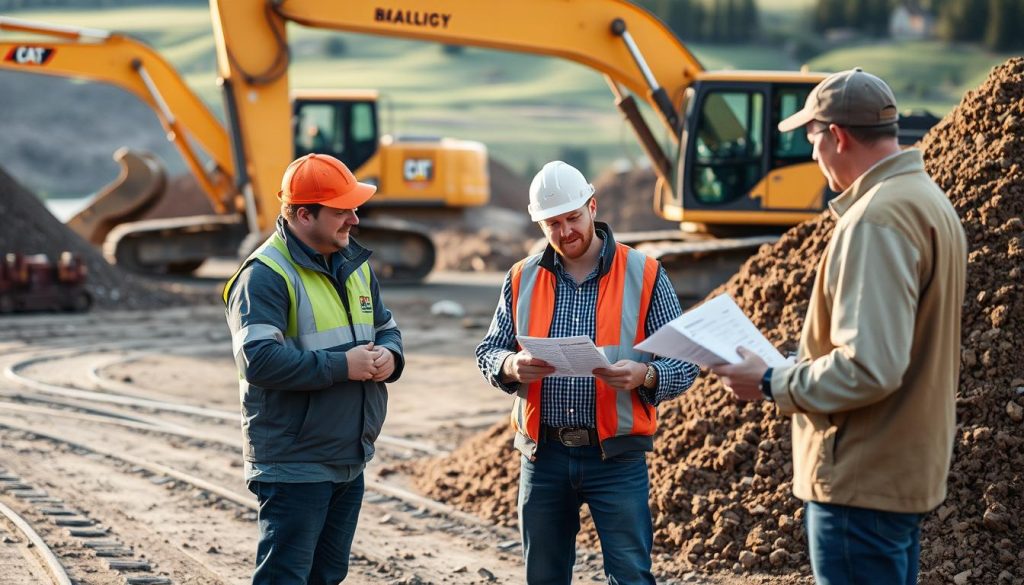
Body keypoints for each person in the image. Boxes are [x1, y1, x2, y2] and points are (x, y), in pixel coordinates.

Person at [709, 69, 967, 584]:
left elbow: (869, 367)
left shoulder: (876, 220)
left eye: (812, 139)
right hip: (900, 470)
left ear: (838, 136)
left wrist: (768, 380)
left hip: (858, 481)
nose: (812, 155)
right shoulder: (929, 202)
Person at [475, 161, 700, 584]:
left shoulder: (644, 273)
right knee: (544, 575)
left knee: (630, 574)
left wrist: (646, 376)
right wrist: (509, 365)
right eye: (552, 224)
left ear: (592, 207)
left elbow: (686, 361)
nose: (565, 232)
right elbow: (488, 350)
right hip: (544, 456)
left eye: (572, 218)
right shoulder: (521, 277)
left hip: (615, 456)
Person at [223, 153, 404, 585]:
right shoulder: (264, 275)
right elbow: (258, 360)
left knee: (327, 576)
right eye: (342, 211)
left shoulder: (353, 264)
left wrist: (389, 357)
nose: (354, 220)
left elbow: (388, 328)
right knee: (286, 577)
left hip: (347, 455)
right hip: (295, 460)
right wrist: (344, 366)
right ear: (304, 215)